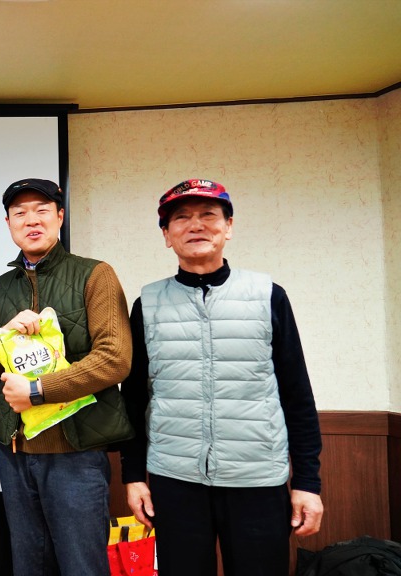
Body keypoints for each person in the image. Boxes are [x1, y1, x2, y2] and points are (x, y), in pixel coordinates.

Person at [120, 179, 323, 576]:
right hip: (174, 479)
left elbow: (297, 394)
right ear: (166, 235)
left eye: (208, 215)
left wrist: (308, 483)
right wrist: (133, 476)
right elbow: (134, 397)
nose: (196, 225)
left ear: (228, 227)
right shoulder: (148, 304)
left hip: (257, 479)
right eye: (181, 218)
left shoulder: (268, 295)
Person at [0, 178, 134, 576]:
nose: (31, 221)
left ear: (60, 216)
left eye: (42, 210)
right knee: (29, 567)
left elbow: (114, 359)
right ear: (8, 223)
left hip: (77, 454)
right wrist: (5, 334)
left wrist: (38, 390)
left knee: (82, 567)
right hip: (16, 455)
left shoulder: (94, 275)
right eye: (20, 213)